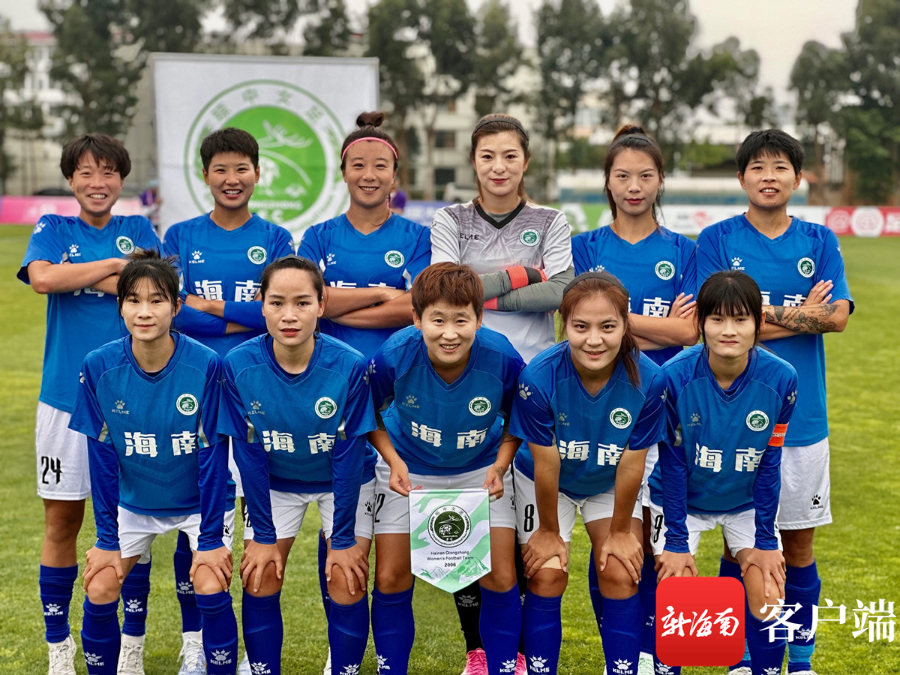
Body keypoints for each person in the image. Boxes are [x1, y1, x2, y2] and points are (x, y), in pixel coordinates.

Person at [697, 130, 852, 675]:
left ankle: (800, 661)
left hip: (802, 420)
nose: (769, 176)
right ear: (741, 177)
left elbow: (837, 317)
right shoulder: (716, 239)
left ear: (798, 177)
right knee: (738, 546)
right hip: (730, 420)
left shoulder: (818, 239)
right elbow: (710, 326)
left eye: (780, 166)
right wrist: (801, 314)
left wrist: (756, 318)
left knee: (799, 548)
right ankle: (739, 658)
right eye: (758, 167)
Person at [430, 113, 573, 673]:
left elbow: (562, 293)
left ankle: (519, 651)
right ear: (473, 161)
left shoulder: (551, 220)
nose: (498, 167)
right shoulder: (450, 219)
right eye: (487, 156)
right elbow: (442, 291)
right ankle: (479, 649)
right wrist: (524, 275)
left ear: (526, 161)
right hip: (465, 378)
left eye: (510, 155)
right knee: (471, 520)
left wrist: (474, 290)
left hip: (534, 384)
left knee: (522, 524)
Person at [18, 133, 160, 675]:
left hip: (132, 400)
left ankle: (132, 645)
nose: (97, 183)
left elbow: (149, 290)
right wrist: (114, 269)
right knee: (62, 522)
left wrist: (82, 272)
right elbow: (43, 279)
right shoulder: (54, 228)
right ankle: (59, 646)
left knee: (132, 522)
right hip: (63, 400)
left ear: (121, 179)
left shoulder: (139, 228)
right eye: (86, 173)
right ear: (70, 179)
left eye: (108, 173)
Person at [297, 111, 431, 673]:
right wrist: (381, 294)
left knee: (394, 562)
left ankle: (391, 661)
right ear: (344, 172)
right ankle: (343, 652)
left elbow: (418, 307)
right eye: (358, 165)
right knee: (342, 537)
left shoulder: (418, 237)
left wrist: (340, 301)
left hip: (400, 405)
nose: (369, 175)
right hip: (333, 405)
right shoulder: (319, 237)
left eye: (380, 166)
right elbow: (308, 302)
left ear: (395, 176)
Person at [68, 250, 237, 675]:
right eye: (134, 300)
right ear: (120, 305)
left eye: (157, 300)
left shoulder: (207, 364)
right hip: (135, 503)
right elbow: (101, 461)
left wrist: (211, 538)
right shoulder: (98, 366)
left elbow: (214, 458)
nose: (144, 311)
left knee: (210, 582)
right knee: (100, 585)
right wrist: (106, 539)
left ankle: (208, 658)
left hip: (200, 505)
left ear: (176, 307)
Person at [163, 127, 294, 672]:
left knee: (254, 524)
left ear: (257, 173)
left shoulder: (278, 239)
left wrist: (210, 305)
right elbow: (174, 312)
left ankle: (243, 646)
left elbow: (282, 310)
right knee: (197, 520)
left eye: (242, 168)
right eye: (221, 169)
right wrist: (244, 313)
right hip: (191, 391)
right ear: (205, 175)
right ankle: (196, 641)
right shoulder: (180, 235)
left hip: (255, 393)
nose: (231, 178)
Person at [571, 125, 698, 672]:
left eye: (645, 176)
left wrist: (611, 325)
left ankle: (660, 656)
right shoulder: (585, 248)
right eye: (622, 175)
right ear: (607, 181)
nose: (634, 186)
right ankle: (621, 656)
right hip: (599, 411)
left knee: (661, 539)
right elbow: (574, 329)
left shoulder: (685, 251)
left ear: (661, 180)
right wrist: (650, 326)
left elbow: (688, 333)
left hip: (665, 410)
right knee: (616, 538)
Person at [219, 256, 377, 675]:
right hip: (275, 482)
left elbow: (348, 456)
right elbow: (248, 455)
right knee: (260, 574)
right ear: (261, 304)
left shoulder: (349, 365)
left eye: (302, 303)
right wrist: (263, 535)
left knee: (347, 577)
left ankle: (343, 669)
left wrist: (343, 539)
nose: (289, 315)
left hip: (343, 481)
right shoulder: (238, 364)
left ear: (321, 305)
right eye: (277, 303)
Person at [368, 262, 525, 675]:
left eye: (461, 320)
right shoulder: (393, 355)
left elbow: (520, 417)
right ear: (416, 318)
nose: (450, 333)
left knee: (500, 576)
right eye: (437, 320)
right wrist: (393, 460)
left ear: (479, 318)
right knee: (390, 577)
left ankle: (501, 666)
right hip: (409, 469)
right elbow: (369, 412)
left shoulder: (502, 357)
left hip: (481, 469)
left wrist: (501, 464)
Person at [509, 272, 666, 675]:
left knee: (620, 571)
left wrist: (620, 532)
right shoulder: (538, 377)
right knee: (546, 574)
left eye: (607, 327)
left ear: (626, 324)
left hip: (607, 482)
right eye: (581, 327)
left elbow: (632, 462)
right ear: (563, 324)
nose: (594, 340)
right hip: (545, 483)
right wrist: (548, 531)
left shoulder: (650, 380)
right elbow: (546, 463)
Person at [648, 270, 799, 675]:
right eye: (717, 319)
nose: (728, 330)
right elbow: (673, 464)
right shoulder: (673, 377)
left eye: (740, 319)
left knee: (769, 591)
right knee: (676, 590)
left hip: (743, 500)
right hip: (681, 502)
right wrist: (676, 540)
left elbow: (770, 461)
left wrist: (765, 540)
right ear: (700, 323)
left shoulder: (782, 378)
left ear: (758, 322)